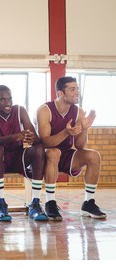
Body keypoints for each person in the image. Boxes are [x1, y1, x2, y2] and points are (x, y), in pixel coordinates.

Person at [36, 76, 106, 220]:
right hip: (43, 155)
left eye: (77, 89)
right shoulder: (44, 110)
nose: (76, 93)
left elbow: (80, 145)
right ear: (61, 93)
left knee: (94, 155)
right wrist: (66, 132)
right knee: (54, 152)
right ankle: (50, 202)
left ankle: (88, 203)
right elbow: (46, 142)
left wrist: (84, 128)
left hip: (66, 154)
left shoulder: (78, 112)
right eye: (72, 90)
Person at [0, 85, 48, 221]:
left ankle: (35, 202)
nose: (8, 103)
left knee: (40, 148)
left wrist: (31, 138)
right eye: (3, 100)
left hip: (18, 156)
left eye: (10, 99)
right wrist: (14, 136)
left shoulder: (20, 110)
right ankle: (1, 202)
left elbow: (35, 137)